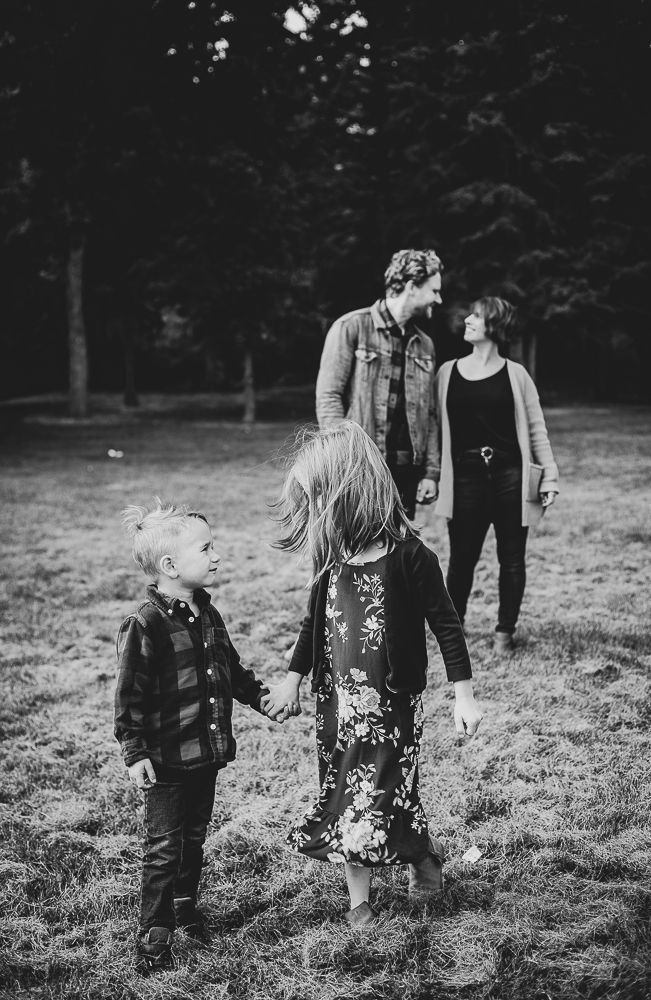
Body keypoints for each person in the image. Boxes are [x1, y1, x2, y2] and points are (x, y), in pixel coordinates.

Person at [262, 422, 482, 926]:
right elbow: (312, 623)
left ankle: (419, 856)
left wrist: (463, 696)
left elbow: (447, 626)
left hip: (392, 708)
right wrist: (292, 680)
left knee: (385, 793)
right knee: (348, 795)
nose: (316, 515)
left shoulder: (411, 558)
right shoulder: (331, 557)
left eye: (320, 502)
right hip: (337, 706)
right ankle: (361, 901)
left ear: (350, 494)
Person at [114, 500, 285, 974]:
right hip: (166, 760)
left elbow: (230, 669)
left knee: (194, 838)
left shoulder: (209, 615)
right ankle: (155, 933)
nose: (216, 555)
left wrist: (263, 698)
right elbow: (129, 698)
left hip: (204, 755)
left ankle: (186, 909)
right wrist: (135, 752)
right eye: (206, 548)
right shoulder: (145, 625)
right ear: (170, 565)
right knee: (165, 846)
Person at [434, 297, 559, 652]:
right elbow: (433, 430)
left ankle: (505, 633)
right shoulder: (447, 373)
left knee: (512, 559)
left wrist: (548, 476)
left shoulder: (517, 375)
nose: (468, 319)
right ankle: (452, 633)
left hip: (511, 478)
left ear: (494, 326)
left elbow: (537, 431)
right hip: (464, 478)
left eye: (477, 315)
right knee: (461, 561)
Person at [315, 248, 444, 520]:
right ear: (411, 287)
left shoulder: (425, 345)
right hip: (359, 469)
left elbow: (429, 415)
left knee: (397, 558)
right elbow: (329, 398)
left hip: (406, 476)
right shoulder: (350, 327)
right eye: (434, 290)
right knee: (357, 555)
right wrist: (344, 461)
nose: (439, 299)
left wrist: (431, 472)